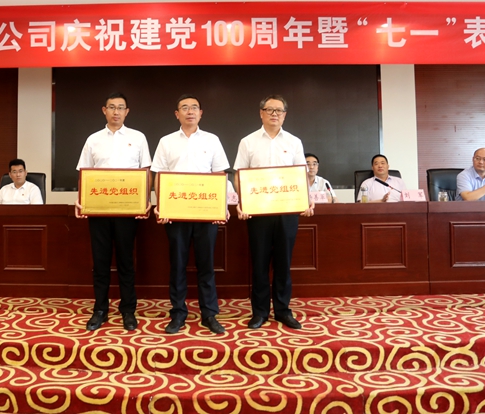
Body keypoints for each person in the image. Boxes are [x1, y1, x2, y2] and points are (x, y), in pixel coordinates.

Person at [234, 95, 314, 330]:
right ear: (261, 113)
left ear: (285, 115)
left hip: (286, 211)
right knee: (259, 263)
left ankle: (282, 310)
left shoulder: (294, 142)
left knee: (283, 262)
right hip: (258, 212)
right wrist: (242, 202)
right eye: (269, 110)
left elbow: (301, 175)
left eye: (279, 110)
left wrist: (307, 200)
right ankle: (259, 312)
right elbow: (239, 175)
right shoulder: (247, 142)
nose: (274, 114)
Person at [151, 94, 230, 335]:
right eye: (184, 108)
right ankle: (178, 313)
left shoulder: (212, 140)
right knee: (177, 264)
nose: (190, 111)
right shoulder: (166, 141)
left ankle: (209, 314)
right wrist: (161, 206)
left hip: (206, 214)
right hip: (175, 214)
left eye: (194, 107)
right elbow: (159, 176)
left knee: (207, 265)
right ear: (177, 114)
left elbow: (220, 175)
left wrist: (221, 207)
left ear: (201, 113)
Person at [75, 92, 152, 332]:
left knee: (126, 261)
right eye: (112, 107)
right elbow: (84, 172)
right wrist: (81, 201)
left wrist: (146, 201)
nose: (116, 111)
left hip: (128, 211)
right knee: (100, 262)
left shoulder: (138, 137)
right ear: (104, 110)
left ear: (127, 112)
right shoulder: (93, 139)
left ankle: (128, 310)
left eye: (120, 107)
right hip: (99, 210)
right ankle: (100, 309)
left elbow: (146, 171)